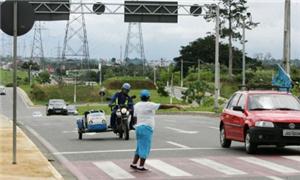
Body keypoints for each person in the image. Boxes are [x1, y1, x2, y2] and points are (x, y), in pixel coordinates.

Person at [130, 89, 182, 171]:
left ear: (140, 97)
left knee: (140, 147)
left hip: (138, 128)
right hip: (146, 128)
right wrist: (174, 105)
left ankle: (134, 163)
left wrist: (135, 126)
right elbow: (163, 106)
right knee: (145, 147)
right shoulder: (150, 104)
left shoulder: (136, 105)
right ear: (148, 97)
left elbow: (134, 117)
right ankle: (141, 166)